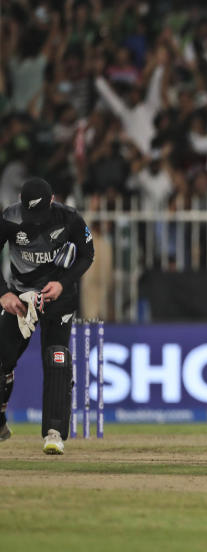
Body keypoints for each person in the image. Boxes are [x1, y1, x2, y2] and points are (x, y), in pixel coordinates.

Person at [0, 177, 95, 454]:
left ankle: (54, 433)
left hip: (58, 299)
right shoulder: (9, 217)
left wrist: (63, 283)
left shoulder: (70, 218)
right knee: (2, 359)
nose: (36, 220)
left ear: (52, 200)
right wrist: (4, 293)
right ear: (19, 199)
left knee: (57, 358)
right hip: (20, 300)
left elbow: (87, 254)